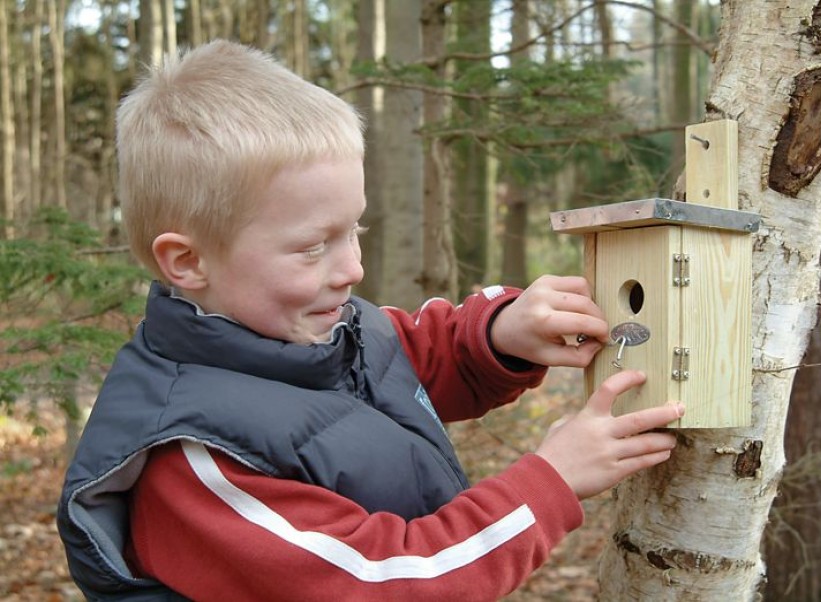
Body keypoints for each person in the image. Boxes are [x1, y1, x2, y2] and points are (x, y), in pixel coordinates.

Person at [57, 40, 683, 602]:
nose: (353, 268)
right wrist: (552, 481)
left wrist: (501, 333)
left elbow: (405, 356)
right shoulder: (198, 460)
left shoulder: (317, 329)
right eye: (312, 246)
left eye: (353, 229)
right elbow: (383, 581)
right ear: (188, 261)